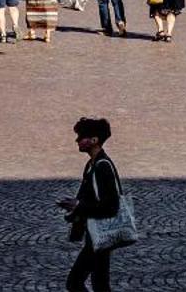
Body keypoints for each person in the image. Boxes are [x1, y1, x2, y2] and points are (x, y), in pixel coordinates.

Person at [59, 116, 124, 292]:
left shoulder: (102, 166)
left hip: (100, 236)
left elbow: (111, 206)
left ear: (94, 140)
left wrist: (79, 206)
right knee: (100, 285)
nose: (77, 140)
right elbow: (87, 198)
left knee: (74, 282)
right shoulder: (91, 165)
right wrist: (73, 208)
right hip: (95, 235)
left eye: (81, 137)